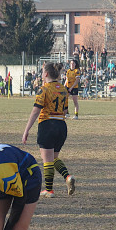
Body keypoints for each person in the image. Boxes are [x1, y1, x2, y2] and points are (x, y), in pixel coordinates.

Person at [22, 62, 76, 198]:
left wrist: (27, 129)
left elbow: (36, 110)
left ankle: (49, 190)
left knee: (47, 160)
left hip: (47, 125)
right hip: (61, 126)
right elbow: (65, 110)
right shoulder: (64, 89)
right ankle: (67, 177)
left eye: (42, 72)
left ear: (46, 74)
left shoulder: (44, 89)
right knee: (53, 158)